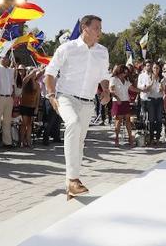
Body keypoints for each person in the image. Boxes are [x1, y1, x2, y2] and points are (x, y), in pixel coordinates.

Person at [45, 15, 110, 200]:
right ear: (85, 27)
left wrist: (105, 90)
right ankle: (73, 179)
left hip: (88, 101)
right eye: (97, 27)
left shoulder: (103, 51)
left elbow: (104, 75)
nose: (100, 32)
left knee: (79, 142)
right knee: (72, 124)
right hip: (66, 97)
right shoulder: (67, 48)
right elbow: (49, 72)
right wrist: (50, 95)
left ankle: (71, 184)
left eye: (100, 28)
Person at [110, 64, 142, 146]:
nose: (125, 74)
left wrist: (142, 90)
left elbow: (132, 88)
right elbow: (111, 90)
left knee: (128, 120)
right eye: (124, 72)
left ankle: (130, 138)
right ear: (120, 71)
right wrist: (117, 98)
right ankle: (116, 138)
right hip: (117, 102)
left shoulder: (126, 81)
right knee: (118, 120)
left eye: (126, 72)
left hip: (125, 102)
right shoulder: (114, 79)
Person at [19, 67, 43, 147]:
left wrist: (36, 107)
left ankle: (28, 140)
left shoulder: (37, 84)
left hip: (32, 106)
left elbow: (37, 98)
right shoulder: (25, 82)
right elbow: (24, 80)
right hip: (24, 105)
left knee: (29, 124)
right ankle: (22, 141)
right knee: (23, 124)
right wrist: (31, 73)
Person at [145, 62, 165, 144]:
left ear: (159, 69)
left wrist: (161, 88)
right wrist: (152, 82)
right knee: (152, 119)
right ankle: (151, 137)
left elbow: (163, 90)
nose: (155, 69)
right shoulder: (149, 77)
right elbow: (146, 90)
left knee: (159, 119)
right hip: (151, 99)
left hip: (159, 99)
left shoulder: (162, 78)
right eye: (154, 68)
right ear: (152, 69)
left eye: (157, 68)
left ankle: (158, 137)